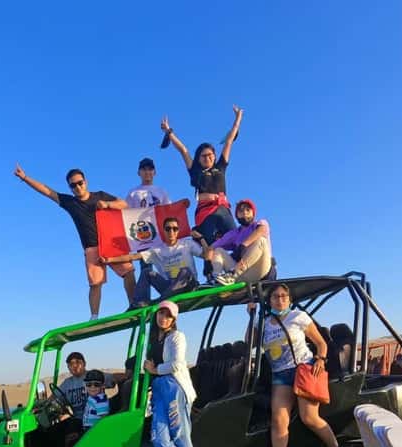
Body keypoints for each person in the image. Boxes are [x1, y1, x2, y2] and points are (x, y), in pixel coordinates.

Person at [14, 165, 135, 320]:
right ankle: (94, 317)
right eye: (73, 185)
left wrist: (108, 205)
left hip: (110, 243)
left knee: (129, 272)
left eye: (80, 183)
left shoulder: (100, 195)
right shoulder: (70, 203)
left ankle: (133, 304)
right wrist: (25, 178)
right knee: (95, 284)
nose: (78, 187)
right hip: (91, 248)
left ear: (86, 182)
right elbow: (47, 191)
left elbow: (124, 204)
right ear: (70, 188)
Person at [260, 284, 345, 447]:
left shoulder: (298, 316)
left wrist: (320, 360)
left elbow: (321, 343)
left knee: (309, 417)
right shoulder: (264, 324)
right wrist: (252, 316)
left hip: (303, 370)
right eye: (275, 296)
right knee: (278, 421)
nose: (280, 300)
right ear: (269, 300)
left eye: (283, 296)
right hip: (280, 375)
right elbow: (250, 341)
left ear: (288, 299)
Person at [143, 301, 205, 447]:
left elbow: (178, 365)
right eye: (161, 313)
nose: (164, 318)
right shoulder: (154, 340)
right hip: (159, 388)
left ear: (174, 319)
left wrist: (154, 369)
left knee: (179, 433)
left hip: (174, 386)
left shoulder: (177, 337)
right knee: (158, 439)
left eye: (168, 316)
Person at [159, 106, 243, 247]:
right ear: (198, 158)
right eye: (203, 156)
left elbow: (229, 141)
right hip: (205, 212)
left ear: (214, 156)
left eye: (210, 155)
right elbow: (183, 150)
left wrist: (238, 118)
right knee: (208, 245)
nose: (207, 158)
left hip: (223, 209)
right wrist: (169, 132)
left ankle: (239, 265)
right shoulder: (195, 171)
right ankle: (209, 268)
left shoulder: (220, 167)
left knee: (236, 239)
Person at [100, 217, 205, 306]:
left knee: (185, 271)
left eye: (175, 229)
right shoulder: (158, 250)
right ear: (163, 231)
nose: (171, 232)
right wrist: (110, 259)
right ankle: (139, 303)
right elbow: (134, 256)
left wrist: (201, 238)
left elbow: (207, 256)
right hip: (169, 288)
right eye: (168, 229)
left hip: (188, 286)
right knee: (147, 272)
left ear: (178, 231)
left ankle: (160, 301)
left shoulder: (187, 243)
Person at [206, 199, 274, 285]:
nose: (244, 212)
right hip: (241, 274)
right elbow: (212, 247)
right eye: (241, 211)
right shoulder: (234, 233)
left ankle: (233, 274)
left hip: (259, 268)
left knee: (261, 240)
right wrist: (208, 263)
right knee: (218, 250)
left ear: (253, 213)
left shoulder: (260, 224)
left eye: (248, 210)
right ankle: (216, 279)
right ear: (237, 215)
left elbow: (261, 230)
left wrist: (243, 245)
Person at [57, 351, 117, 422]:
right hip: (78, 419)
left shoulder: (93, 375)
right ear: (68, 367)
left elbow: (116, 378)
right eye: (71, 364)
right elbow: (54, 397)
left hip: (95, 422)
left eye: (77, 362)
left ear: (84, 363)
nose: (74, 366)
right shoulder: (67, 383)